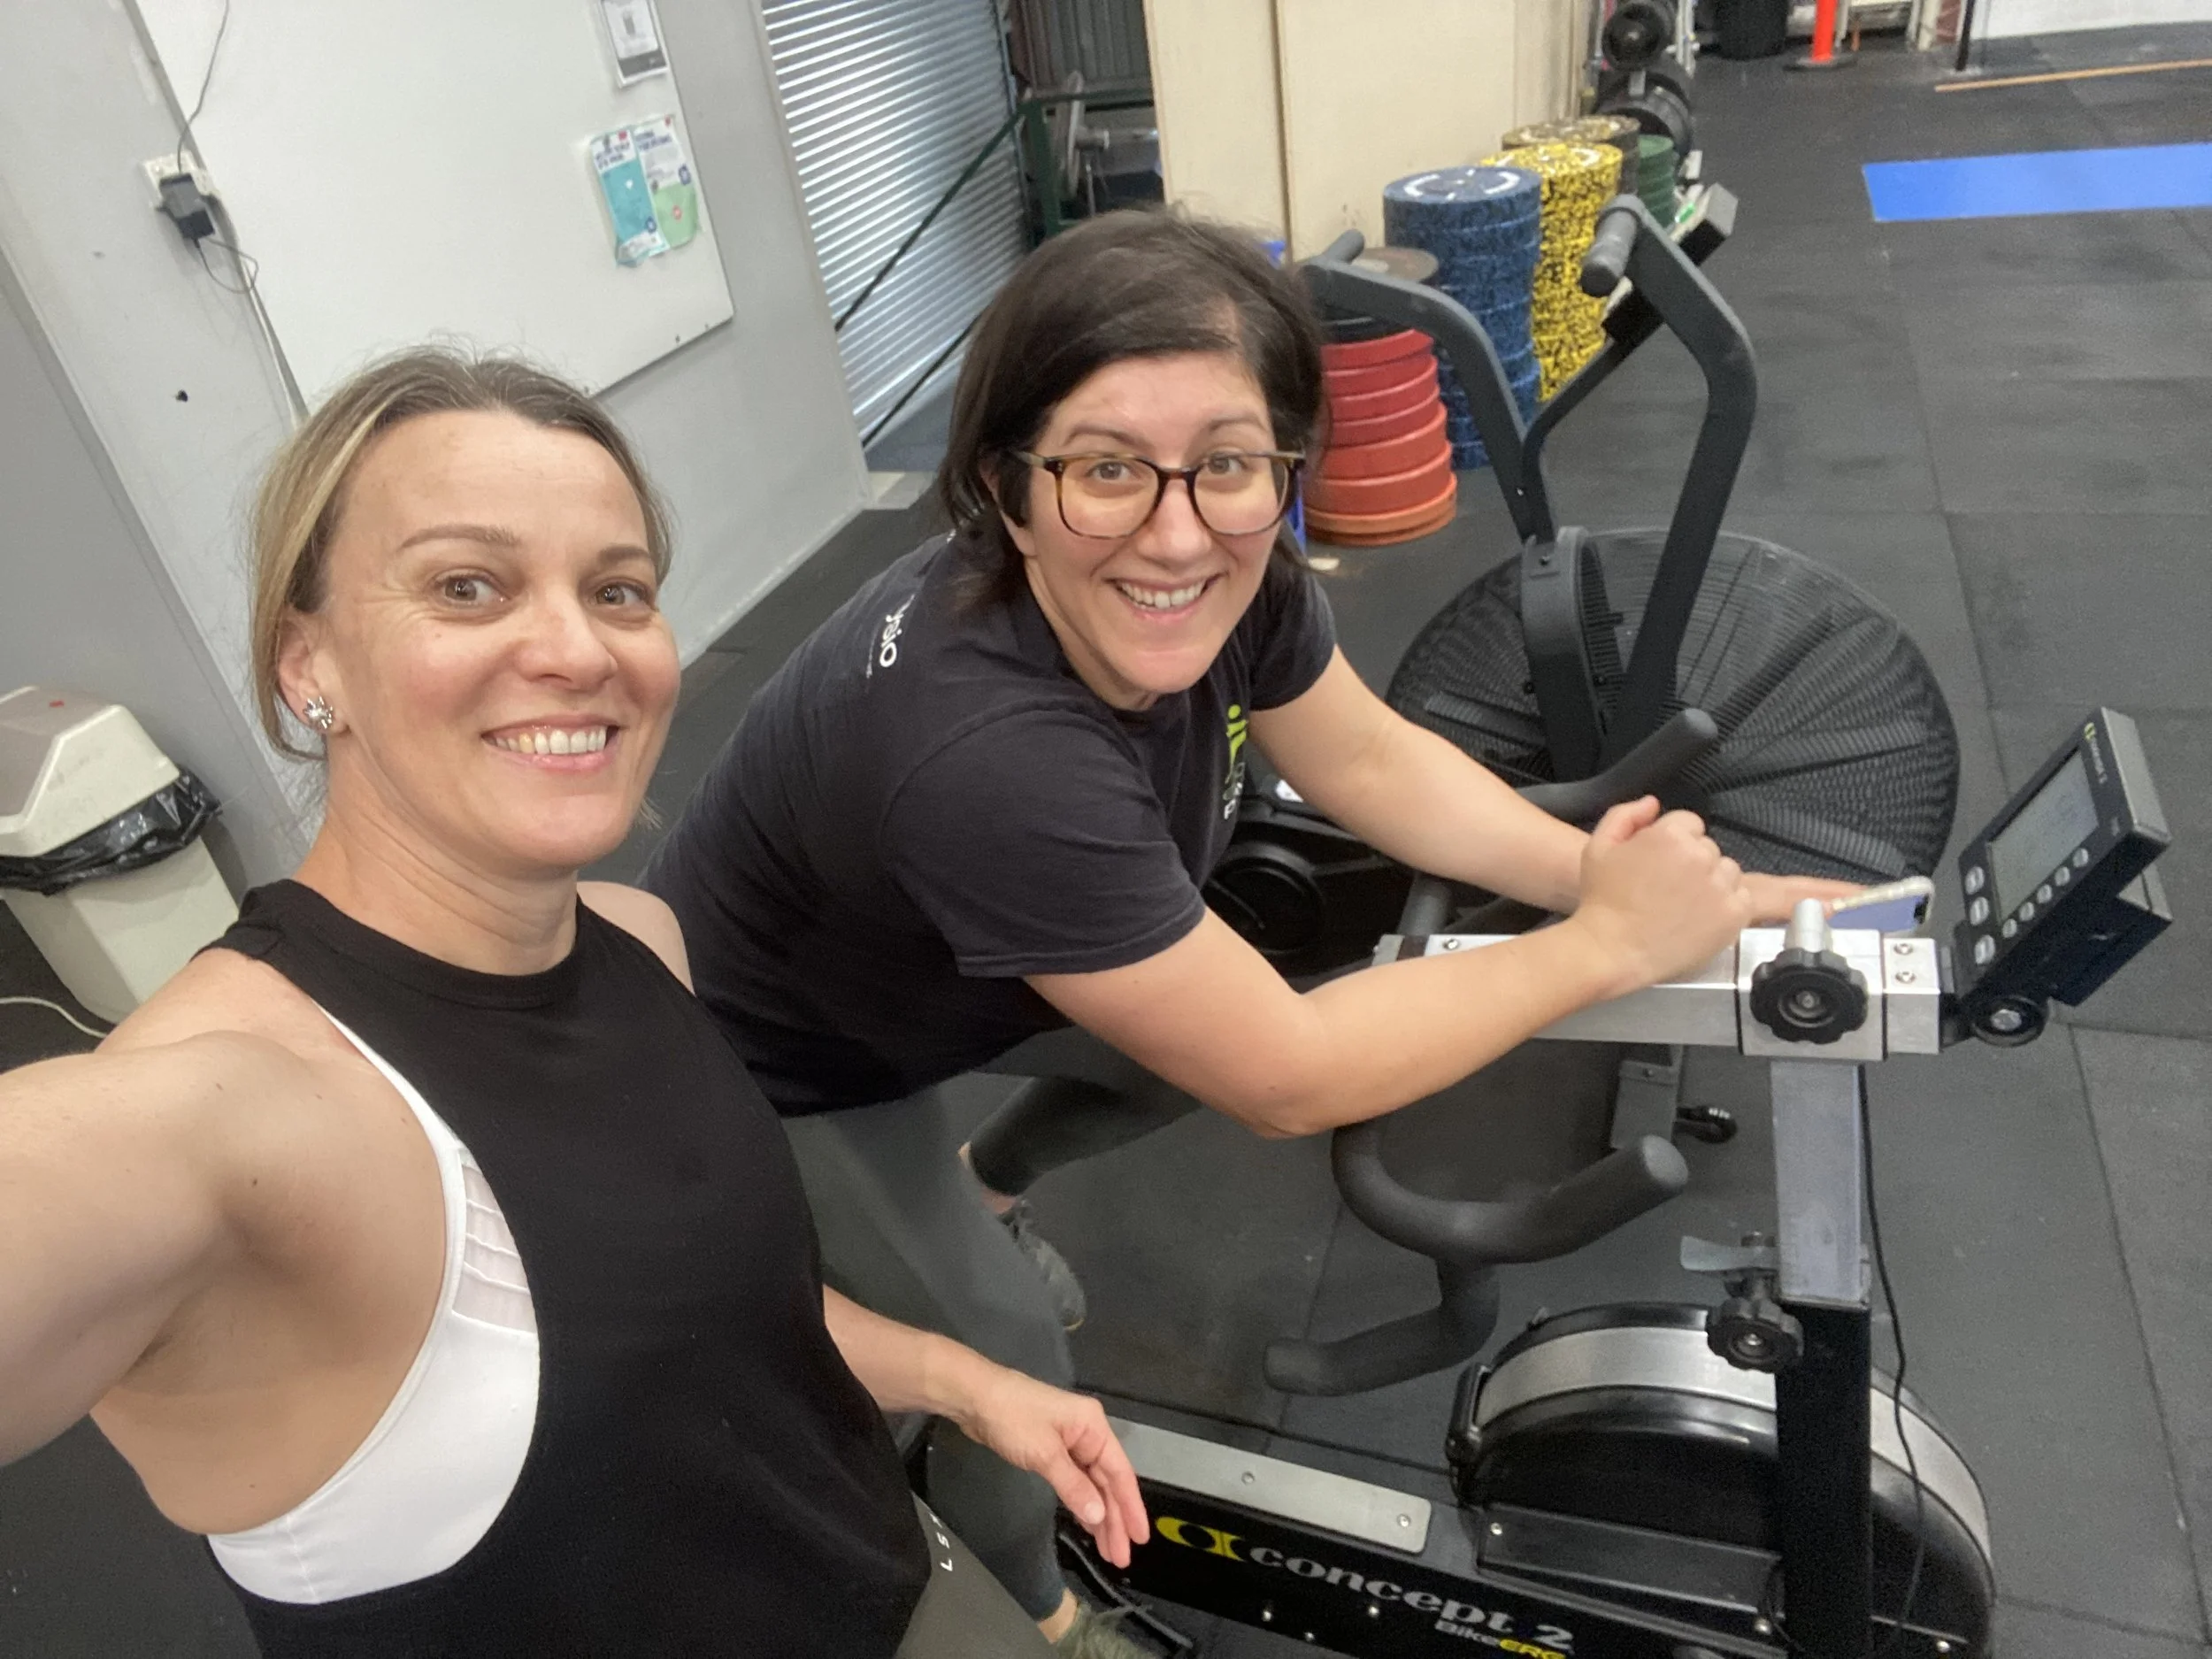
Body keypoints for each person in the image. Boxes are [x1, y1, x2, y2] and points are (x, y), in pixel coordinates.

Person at [641, 209, 1861, 1652]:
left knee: (1178, 1049)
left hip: (931, 962)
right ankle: (1027, 1601)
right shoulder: (990, 757)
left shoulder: (1235, 565)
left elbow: (1370, 760)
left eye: (1227, 463)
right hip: (774, 1064)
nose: (1177, 532)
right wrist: (1606, 948)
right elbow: (1287, 1075)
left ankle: (987, 1187)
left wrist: (1599, 876)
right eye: (1107, 469)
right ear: (1005, 491)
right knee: (1004, 1357)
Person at [0, 349, 1148, 1658]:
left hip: (894, 1586)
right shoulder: (235, 1114)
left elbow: (715, 1310)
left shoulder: (639, 937)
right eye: (467, 585)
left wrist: (965, 1379)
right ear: (305, 662)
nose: (576, 648)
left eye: (617, 590)